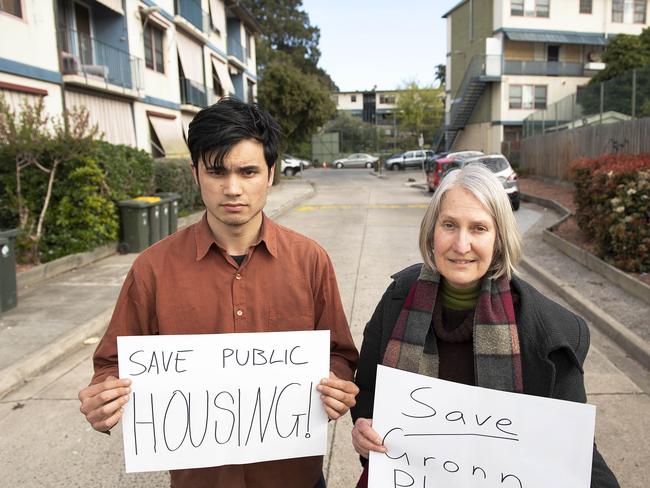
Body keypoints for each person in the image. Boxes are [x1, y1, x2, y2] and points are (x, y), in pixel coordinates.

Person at [78, 97, 359, 488]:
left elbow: (340, 354)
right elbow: (112, 365)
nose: (232, 188)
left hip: (293, 477)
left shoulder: (310, 261)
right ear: (195, 173)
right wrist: (102, 399)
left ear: (270, 174)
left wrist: (335, 385)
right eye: (216, 172)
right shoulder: (152, 269)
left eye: (248, 171)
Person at [350, 164, 619, 487]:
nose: (461, 245)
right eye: (449, 225)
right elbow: (368, 390)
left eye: (478, 228)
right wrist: (363, 430)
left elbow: (575, 451)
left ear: (499, 239)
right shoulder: (396, 301)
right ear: (432, 231)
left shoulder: (551, 332)